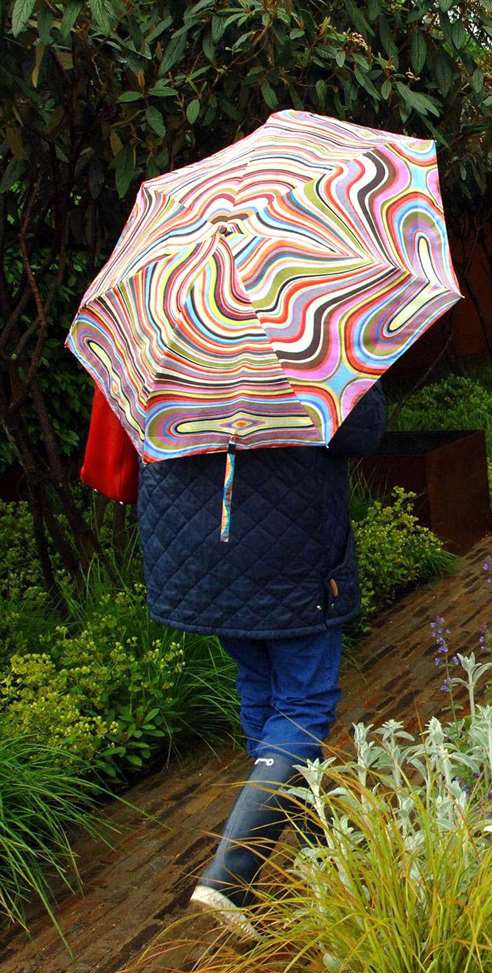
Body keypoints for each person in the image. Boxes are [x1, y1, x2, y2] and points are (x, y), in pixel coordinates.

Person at [131, 383, 387, 935]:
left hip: (198, 551)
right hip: (288, 552)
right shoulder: (310, 332)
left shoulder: (176, 341)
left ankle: (325, 853)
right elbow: (361, 431)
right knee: (304, 704)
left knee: (264, 693)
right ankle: (230, 876)